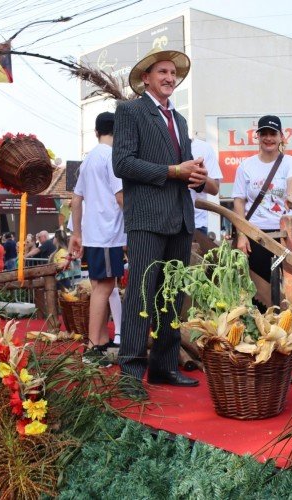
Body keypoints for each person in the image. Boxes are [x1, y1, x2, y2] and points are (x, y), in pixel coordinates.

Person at [112, 46, 208, 398]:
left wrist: (194, 174)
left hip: (180, 217)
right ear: (146, 78)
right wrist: (172, 171)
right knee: (141, 293)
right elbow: (121, 164)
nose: (170, 78)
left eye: (174, 74)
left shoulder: (179, 120)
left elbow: (182, 167)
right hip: (147, 219)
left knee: (171, 295)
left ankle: (165, 366)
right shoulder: (130, 111)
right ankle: (131, 374)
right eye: (163, 72)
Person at [70, 111, 127, 366]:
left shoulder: (89, 158)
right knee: (104, 289)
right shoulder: (112, 157)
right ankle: (92, 348)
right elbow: (120, 197)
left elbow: (75, 200)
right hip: (108, 234)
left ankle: (102, 342)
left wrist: (77, 233)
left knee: (100, 288)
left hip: (94, 235)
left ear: (96, 132)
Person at [232, 114, 292, 285]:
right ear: (258, 137)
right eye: (264, 134)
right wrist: (242, 234)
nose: (269, 138)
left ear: (281, 137)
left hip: (287, 233)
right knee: (260, 287)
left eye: (273, 133)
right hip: (257, 234)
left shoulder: (290, 162)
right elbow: (239, 201)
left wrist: (291, 195)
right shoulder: (246, 166)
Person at [190, 136, 222, 234]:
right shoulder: (156, 144)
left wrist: (202, 179)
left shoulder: (203, 147)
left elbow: (215, 188)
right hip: (161, 223)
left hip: (196, 224)